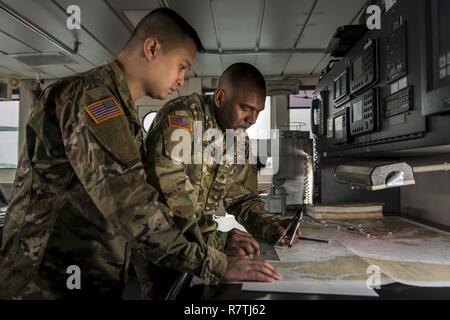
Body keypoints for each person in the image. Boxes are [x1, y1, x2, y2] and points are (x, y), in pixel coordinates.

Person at [0, 8, 274, 300]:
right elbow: (130, 205)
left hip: (86, 276)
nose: (182, 79)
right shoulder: (91, 99)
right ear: (152, 48)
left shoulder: (120, 110)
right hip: (43, 283)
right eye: (181, 66)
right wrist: (216, 264)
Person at [137, 62, 301, 299]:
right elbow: (168, 198)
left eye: (258, 112)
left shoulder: (239, 139)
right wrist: (217, 238)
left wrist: (270, 225)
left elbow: (243, 198)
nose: (252, 119)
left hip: (202, 247)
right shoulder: (183, 120)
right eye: (246, 108)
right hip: (164, 243)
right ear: (221, 97)